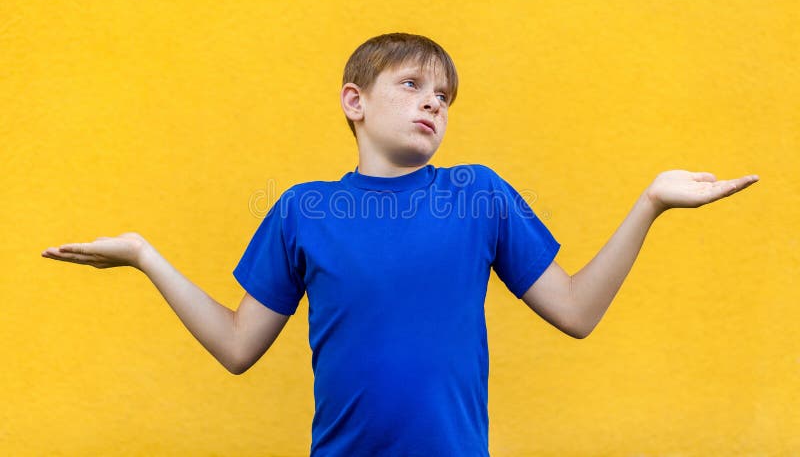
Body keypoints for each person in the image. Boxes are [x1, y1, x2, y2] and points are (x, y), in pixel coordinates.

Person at [41, 32, 760, 456]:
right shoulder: (304, 211)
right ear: (354, 101)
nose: (431, 104)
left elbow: (575, 311)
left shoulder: (479, 195)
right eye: (412, 84)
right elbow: (237, 347)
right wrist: (144, 255)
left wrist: (650, 204)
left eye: (443, 97)